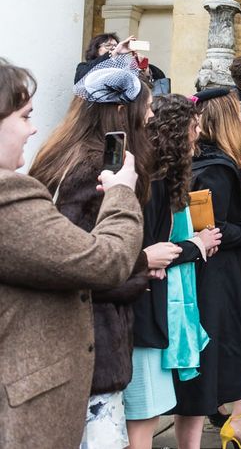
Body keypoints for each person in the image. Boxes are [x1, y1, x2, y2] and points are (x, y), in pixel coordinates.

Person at [0, 58, 144, 448]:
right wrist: (122, 192)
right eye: (25, 116)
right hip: (39, 382)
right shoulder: (9, 194)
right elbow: (102, 261)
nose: (33, 129)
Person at [29, 55, 163, 449]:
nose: (151, 114)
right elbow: (76, 262)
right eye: (147, 106)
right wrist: (142, 264)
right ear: (121, 110)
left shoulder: (60, 155)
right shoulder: (93, 169)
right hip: (91, 344)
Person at [173, 87, 241, 449]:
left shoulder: (202, 161)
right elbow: (217, 229)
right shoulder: (218, 168)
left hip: (211, 270)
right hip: (214, 274)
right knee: (217, 351)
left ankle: (238, 428)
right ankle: (229, 427)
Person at [124, 94, 222, 449]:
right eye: (194, 127)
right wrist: (192, 247)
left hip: (152, 304)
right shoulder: (151, 182)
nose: (198, 134)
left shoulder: (160, 179)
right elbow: (148, 248)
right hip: (143, 309)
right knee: (143, 414)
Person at [75, 32, 166, 88]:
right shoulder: (83, 67)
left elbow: (160, 81)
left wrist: (145, 69)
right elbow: (84, 78)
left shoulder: (126, 68)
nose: (113, 48)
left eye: (115, 46)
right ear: (95, 49)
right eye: (108, 45)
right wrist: (115, 52)